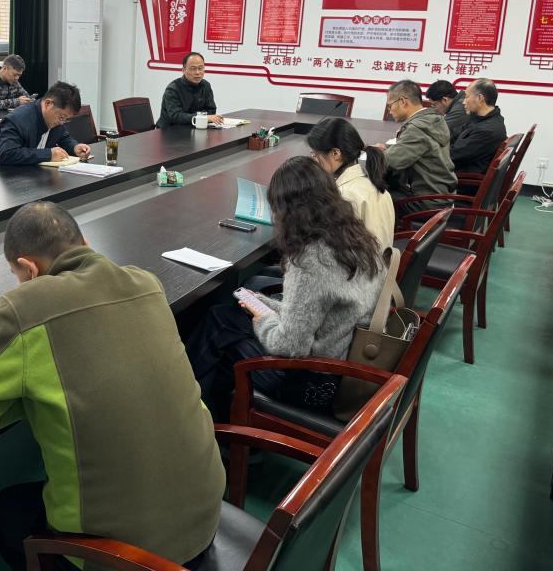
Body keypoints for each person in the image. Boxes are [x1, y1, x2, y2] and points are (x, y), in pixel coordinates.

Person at [0, 202, 224, 571]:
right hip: (204, 520)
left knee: (7, 512)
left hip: (124, 558)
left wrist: (33, 400)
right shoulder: (146, 283)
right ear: (84, 243)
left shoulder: (26, 307)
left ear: (28, 269)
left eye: (16, 275)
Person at [186, 156, 386, 420]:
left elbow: (290, 346)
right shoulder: (357, 238)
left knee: (218, 325)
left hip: (314, 384)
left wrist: (263, 319)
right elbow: (320, 313)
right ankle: (217, 415)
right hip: (347, 366)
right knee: (231, 313)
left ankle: (186, 410)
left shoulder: (311, 259)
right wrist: (264, 304)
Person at [307, 117, 395, 250]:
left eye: (315, 154)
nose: (314, 160)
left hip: (362, 263)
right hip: (383, 261)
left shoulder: (344, 196)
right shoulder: (374, 185)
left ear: (336, 153)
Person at [375, 79, 457, 212]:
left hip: (427, 202)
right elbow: (416, 148)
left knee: (372, 198)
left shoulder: (417, 127)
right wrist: (389, 148)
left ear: (403, 101)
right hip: (441, 194)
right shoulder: (432, 119)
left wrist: (374, 153)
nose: (389, 111)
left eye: (389, 106)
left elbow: (391, 161)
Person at [0, 81, 90, 165]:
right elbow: (8, 154)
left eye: (66, 119)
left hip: (31, 174)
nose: (62, 123)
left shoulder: (54, 120)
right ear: (48, 104)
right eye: (62, 117)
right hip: (1, 175)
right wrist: (48, 154)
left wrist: (74, 147)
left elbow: (63, 137)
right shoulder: (18, 119)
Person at [450, 78, 507, 175]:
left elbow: (453, 156)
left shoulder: (487, 130)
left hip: (463, 179)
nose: (463, 102)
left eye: (467, 97)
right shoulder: (482, 119)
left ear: (480, 98)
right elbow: (455, 133)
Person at [156, 51, 222, 129]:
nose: (197, 72)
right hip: (169, 131)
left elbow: (211, 110)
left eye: (200, 68)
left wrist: (202, 117)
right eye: (193, 69)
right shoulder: (173, 89)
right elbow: (176, 116)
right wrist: (202, 117)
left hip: (193, 129)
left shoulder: (206, 85)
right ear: (183, 70)